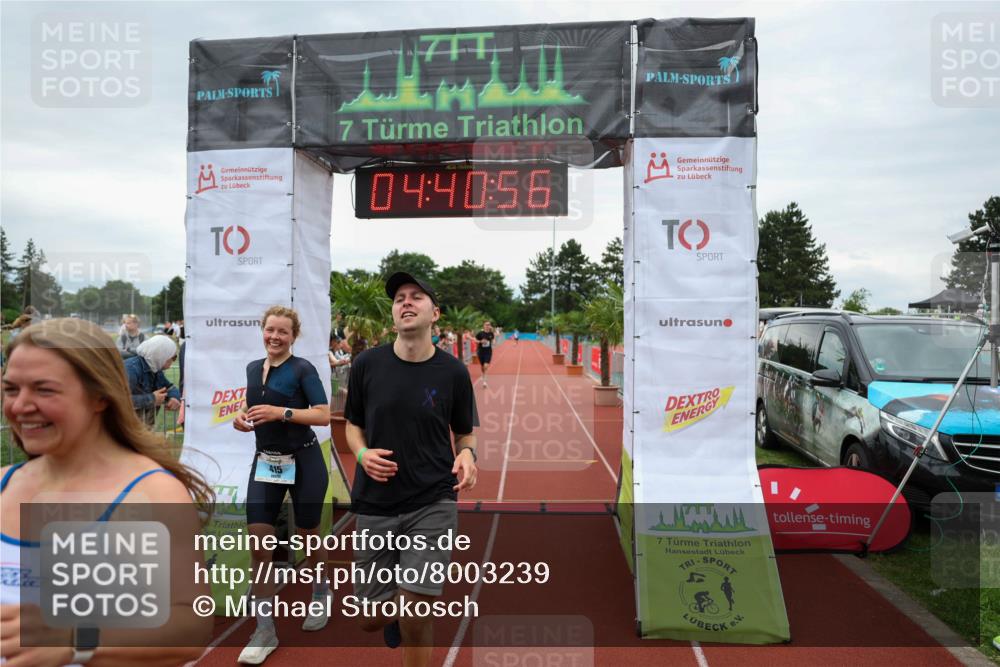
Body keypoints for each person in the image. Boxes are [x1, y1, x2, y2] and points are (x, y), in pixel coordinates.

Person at [0, 318, 213, 666]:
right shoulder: (5, 485)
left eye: (44, 390)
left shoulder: (152, 493)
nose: (20, 406)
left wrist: (76, 639)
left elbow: (190, 627)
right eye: (11, 389)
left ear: (100, 396)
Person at [344, 272, 478, 665]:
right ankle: (396, 613)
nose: (406, 301)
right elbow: (352, 425)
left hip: (432, 500)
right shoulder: (366, 364)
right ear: (393, 314)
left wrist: (468, 455)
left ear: (434, 313)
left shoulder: (453, 372)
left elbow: (465, 432)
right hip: (375, 502)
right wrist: (362, 454)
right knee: (368, 619)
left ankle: (408, 612)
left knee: (417, 610)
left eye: (416, 296)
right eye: (399, 297)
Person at [231, 306, 332, 664]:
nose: (275, 337)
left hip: (304, 461)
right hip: (267, 462)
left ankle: (321, 592)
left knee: (308, 535)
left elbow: (323, 414)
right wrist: (241, 418)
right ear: (262, 330)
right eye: (270, 330)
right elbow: (251, 406)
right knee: (259, 544)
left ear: (293, 336)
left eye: (282, 332)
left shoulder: (303, 369)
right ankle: (264, 630)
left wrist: (281, 413)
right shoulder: (251, 368)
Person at [125, 336, 182, 427]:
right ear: (161, 355)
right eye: (173, 357)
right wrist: (152, 399)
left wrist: (174, 397)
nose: (173, 361)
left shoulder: (155, 368)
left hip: (141, 427)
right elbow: (119, 400)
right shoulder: (131, 370)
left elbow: (170, 387)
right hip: (125, 428)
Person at [475, 320, 495, 387]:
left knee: (486, 366)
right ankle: (483, 374)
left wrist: (493, 342)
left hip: (488, 352)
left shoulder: (491, 333)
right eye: (486, 325)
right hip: (481, 352)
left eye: (488, 325)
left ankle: (484, 381)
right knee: (482, 366)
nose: (487, 326)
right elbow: (475, 340)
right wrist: (480, 341)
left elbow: (493, 339)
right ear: (483, 326)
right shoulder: (480, 333)